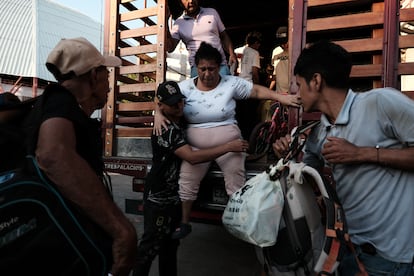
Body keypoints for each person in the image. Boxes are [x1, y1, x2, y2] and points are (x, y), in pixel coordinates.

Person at [272, 40, 414, 275]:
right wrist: (288, 160)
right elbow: (308, 181)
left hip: (392, 259)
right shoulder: (318, 133)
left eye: (298, 84)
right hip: (347, 249)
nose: (296, 93)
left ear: (316, 81)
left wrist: (362, 153)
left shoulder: (380, 103)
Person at [154, 42, 301, 239]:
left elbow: (256, 91)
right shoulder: (185, 87)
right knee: (186, 181)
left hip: (231, 143)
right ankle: (185, 222)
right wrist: (157, 114)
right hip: (197, 147)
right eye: (203, 69)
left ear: (219, 67)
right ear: (196, 67)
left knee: (235, 182)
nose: (207, 74)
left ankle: (240, 222)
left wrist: (281, 97)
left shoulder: (230, 83)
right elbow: (159, 96)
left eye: (212, 69)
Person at [23, 37, 138, 276]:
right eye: (106, 73)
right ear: (94, 76)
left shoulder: (61, 106)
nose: (109, 82)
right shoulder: (60, 103)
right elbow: (53, 155)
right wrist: (121, 230)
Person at [133, 81, 249, 276]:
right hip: (159, 198)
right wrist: (228, 147)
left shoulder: (178, 118)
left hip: (174, 197)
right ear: (162, 105)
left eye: (180, 101)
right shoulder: (166, 130)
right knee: (150, 247)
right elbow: (192, 157)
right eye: (172, 104)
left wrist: (158, 111)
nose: (179, 106)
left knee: (170, 248)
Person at [166, 0, 237, 77]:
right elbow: (170, 48)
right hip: (198, 70)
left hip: (220, 67)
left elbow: (224, 36)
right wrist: (165, 21)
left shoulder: (212, 13)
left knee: (226, 89)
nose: (191, 1)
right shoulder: (179, 23)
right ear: (180, 3)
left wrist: (232, 54)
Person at [263, 26, 290, 121]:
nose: (284, 45)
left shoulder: (296, 50)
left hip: (292, 92)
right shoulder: (276, 52)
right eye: (281, 43)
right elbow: (275, 74)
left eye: (286, 41)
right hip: (280, 93)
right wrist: (269, 92)